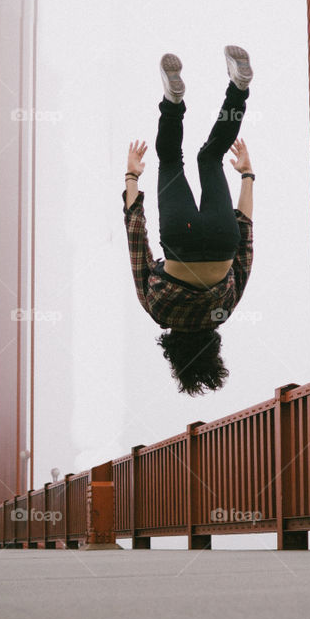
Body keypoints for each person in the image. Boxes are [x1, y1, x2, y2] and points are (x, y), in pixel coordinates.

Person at [123, 47, 254, 395]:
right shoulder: (159, 312)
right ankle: (172, 99)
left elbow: (246, 242)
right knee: (170, 159)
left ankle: (238, 89)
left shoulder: (225, 311)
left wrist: (247, 176)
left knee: (210, 156)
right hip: (182, 236)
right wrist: (131, 176)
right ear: (174, 354)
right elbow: (137, 240)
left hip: (223, 237)